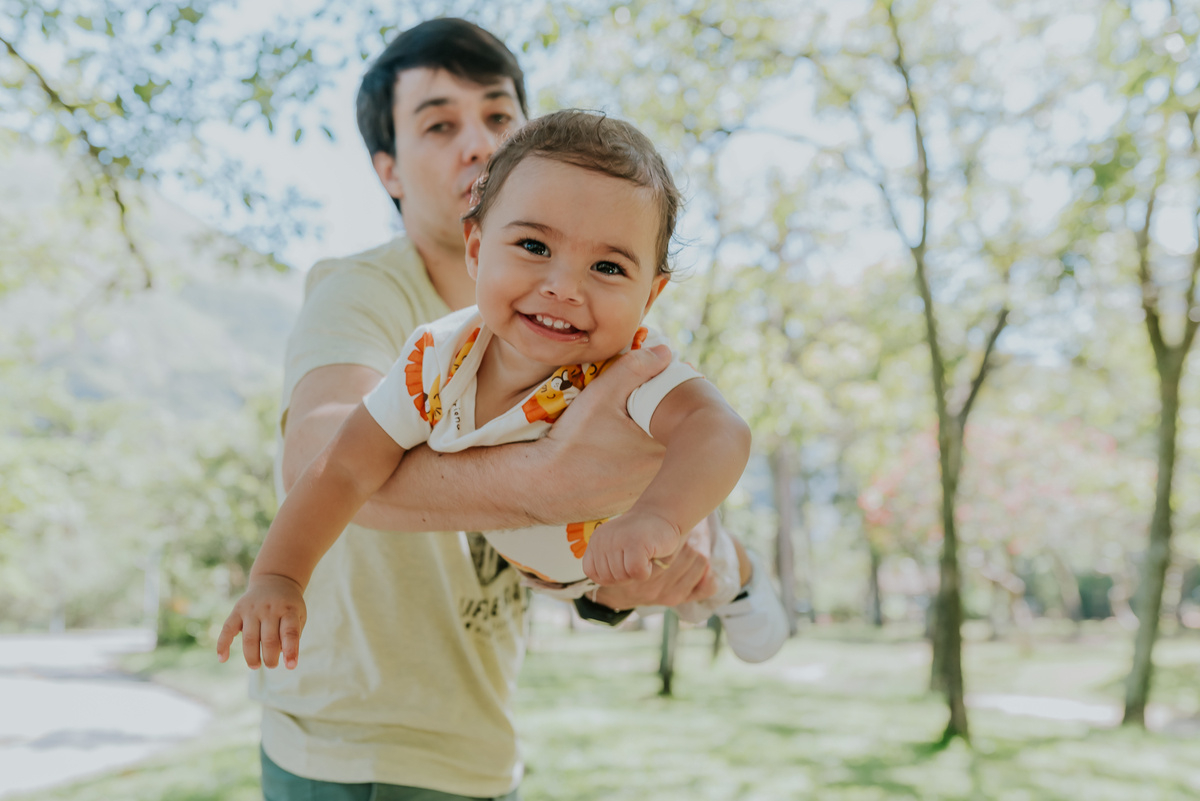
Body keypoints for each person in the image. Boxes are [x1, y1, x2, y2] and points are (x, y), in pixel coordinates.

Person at [241, 18, 735, 801]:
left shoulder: (595, 332)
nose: (476, 141)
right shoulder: (384, 307)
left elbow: (694, 442)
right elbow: (322, 457)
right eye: (439, 123)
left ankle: (736, 589)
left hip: (481, 741)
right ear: (390, 169)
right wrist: (548, 479)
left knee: (711, 546)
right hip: (357, 745)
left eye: (499, 117)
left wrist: (662, 528)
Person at [218, 109, 790, 678]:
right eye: (535, 247)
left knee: (708, 574)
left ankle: (743, 580)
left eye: (609, 267)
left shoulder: (633, 369)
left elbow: (718, 429)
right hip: (548, 570)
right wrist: (279, 576)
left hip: (651, 543)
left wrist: (661, 519)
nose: (565, 287)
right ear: (476, 248)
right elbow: (343, 468)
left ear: (651, 294)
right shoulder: (436, 363)